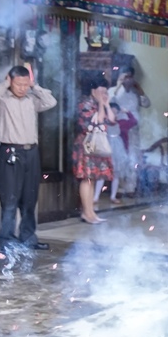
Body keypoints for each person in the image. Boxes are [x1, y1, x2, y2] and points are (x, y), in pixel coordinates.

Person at [0, 65, 57, 251]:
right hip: (10, 152)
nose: (22, 88)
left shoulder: (32, 99)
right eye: (18, 84)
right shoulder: (2, 99)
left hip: (31, 153)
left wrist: (35, 86)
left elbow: (51, 102)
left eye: (25, 84)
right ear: (10, 82)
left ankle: (28, 239)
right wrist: (6, 83)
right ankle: (7, 241)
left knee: (30, 198)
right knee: (10, 200)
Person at [73, 73, 117, 224]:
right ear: (93, 91)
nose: (104, 94)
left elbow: (111, 120)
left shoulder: (100, 103)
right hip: (87, 144)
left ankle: (91, 212)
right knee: (87, 178)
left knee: (92, 178)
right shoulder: (85, 103)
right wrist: (100, 104)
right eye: (101, 91)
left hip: (97, 145)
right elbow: (97, 121)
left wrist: (106, 104)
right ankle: (87, 213)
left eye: (106, 92)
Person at [110, 66, 150, 197]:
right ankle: (119, 189)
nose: (127, 80)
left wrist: (140, 90)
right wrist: (118, 86)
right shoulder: (114, 92)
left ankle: (130, 188)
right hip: (118, 130)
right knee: (120, 158)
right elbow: (110, 102)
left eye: (129, 77)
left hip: (133, 129)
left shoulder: (135, 94)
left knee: (133, 158)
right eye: (125, 77)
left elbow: (147, 103)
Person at [94, 101, 137, 206]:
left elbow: (134, 121)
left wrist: (126, 111)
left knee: (116, 174)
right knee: (102, 174)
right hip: (106, 150)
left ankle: (113, 196)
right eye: (111, 112)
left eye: (115, 112)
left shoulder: (122, 123)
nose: (113, 114)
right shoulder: (103, 123)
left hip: (118, 152)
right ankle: (95, 197)